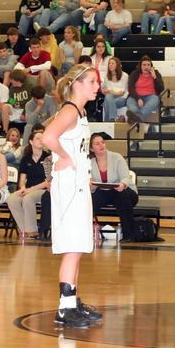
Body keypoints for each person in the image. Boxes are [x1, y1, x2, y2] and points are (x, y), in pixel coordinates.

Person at [41, 64, 102, 329]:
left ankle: (72, 302)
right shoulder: (69, 111)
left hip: (77, 183)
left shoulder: (79, 111)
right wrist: (64, 157)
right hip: (68, 185)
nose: (97, 86)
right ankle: (64, 310)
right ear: (77, 84)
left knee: (78, 245)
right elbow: (47, 137)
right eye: (92, 82)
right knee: (73, 247)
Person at [89, 133, 141, 242]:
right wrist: (92, 186)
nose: (101, 145)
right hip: (104, 192)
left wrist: (122, 184)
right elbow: (90, 182)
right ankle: (85, 233)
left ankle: (129, 235)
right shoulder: (90, 163)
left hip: (123, 190)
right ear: (91, 149)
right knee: (89, 200)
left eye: (102, 142)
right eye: (97, 144)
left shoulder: (117, 157)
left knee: (122, 197)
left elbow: (126, 177)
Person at [7, 128, 50, 239]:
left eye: (42, 138)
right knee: (12, 199)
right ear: (31, 142)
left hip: (43, 190)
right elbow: (22, 179)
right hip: (28, 189)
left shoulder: (48, 158)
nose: (41, 140)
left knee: (28, 198)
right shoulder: (26, 159)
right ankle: (25, 230)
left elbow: (48, 182)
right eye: (38, 138)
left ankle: (32, 231)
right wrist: (22, 187)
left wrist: (30, 190)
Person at [126, 56, 164, 124]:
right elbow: (130, 88)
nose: (146, 67)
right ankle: (136, 118)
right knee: (133, 108)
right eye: (144, 65)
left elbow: (161, 89)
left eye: (148, 65)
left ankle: (138, 117)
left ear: (151, 66)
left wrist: (155, 77)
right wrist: (138, 98)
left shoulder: (156, 73)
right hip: (135, 96)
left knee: (155, 99)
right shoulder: (134, 73)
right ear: (140, 66)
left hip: (150, 96)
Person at [102, 57, 129, 122]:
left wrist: (110, 91)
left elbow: (121, 93)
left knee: (107, 102)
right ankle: (112, 119)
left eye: (112, 63)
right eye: (109, 63)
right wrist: (104, 91)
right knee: (108, 98)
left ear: (117, 65)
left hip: (122, 99)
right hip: (111, 98)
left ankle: (108, 121)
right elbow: (104, 89)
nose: (110, 65)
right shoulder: (106, 77)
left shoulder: (124, 75)